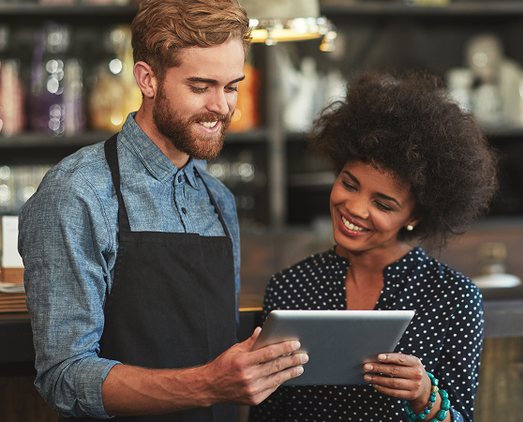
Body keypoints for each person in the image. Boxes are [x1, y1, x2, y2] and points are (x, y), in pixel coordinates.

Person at [18, 1, 307, 420]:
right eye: (200, 86)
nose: (222, 107)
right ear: (147, 79)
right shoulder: (78, 192)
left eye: (231, 86)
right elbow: (63, 377)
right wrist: (207, 383)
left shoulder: (218, 200)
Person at [248, 71, 498, 422]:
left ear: (416, 215)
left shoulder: (452, 297)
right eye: (349, 184)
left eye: (383, 204)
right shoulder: (290, 287)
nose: (355, 208)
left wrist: (423, 393)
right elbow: (268, 415)